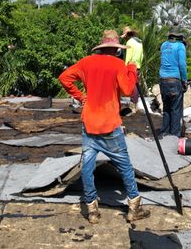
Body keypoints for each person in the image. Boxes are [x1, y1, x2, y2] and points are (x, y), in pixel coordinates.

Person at [59, 30, 150, 225]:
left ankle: (92, 209)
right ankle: (134, 206)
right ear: (116, 50)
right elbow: (127, 90)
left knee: (87, 166)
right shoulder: (118, 64)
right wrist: (132, 69)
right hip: (110, 123)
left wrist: (81, 97)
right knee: (124, 165)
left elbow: (64, 78)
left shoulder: (86, 62)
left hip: (90, 122)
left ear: (101, 48)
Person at [158, 27, 187, 137]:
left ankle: (165, 132)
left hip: (163, 80)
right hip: (174, 80)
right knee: (176, 109)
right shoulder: (180, 46)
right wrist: (184, 80)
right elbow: (182, 65)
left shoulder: (163, 45)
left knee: (166, 108)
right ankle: (174, 135)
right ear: (179, 36)